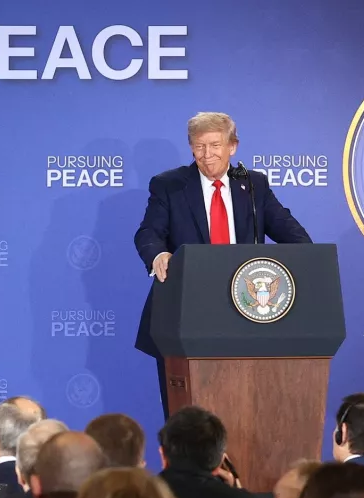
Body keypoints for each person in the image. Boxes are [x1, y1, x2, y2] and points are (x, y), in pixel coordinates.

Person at [133, 112, 312, 417]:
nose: (207, 154)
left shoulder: (254, 185)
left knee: (245, 411)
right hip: (186, 312)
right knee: (189, 414)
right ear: (191, 148)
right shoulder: (169, 185)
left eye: (215, 145)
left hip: (246, 312)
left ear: (233, 146)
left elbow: (295, 237)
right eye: (199, 146)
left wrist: (304, 263)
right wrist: (158, 254)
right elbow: (149, 232)